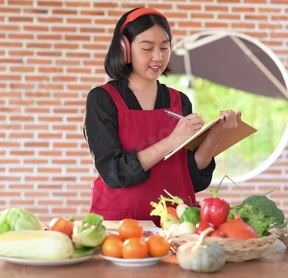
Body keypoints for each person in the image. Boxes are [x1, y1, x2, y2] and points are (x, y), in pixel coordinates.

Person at [83, 7, 241, 226]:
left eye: (165, 48)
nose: (158, 57)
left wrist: (215, 136)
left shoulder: (180, 101)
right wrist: (172, 140)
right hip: (121, 225)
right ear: (124, 49)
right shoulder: (102, 99)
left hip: (178, 222)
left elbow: (192, 176)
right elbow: (114, 171)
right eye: (147, 48)